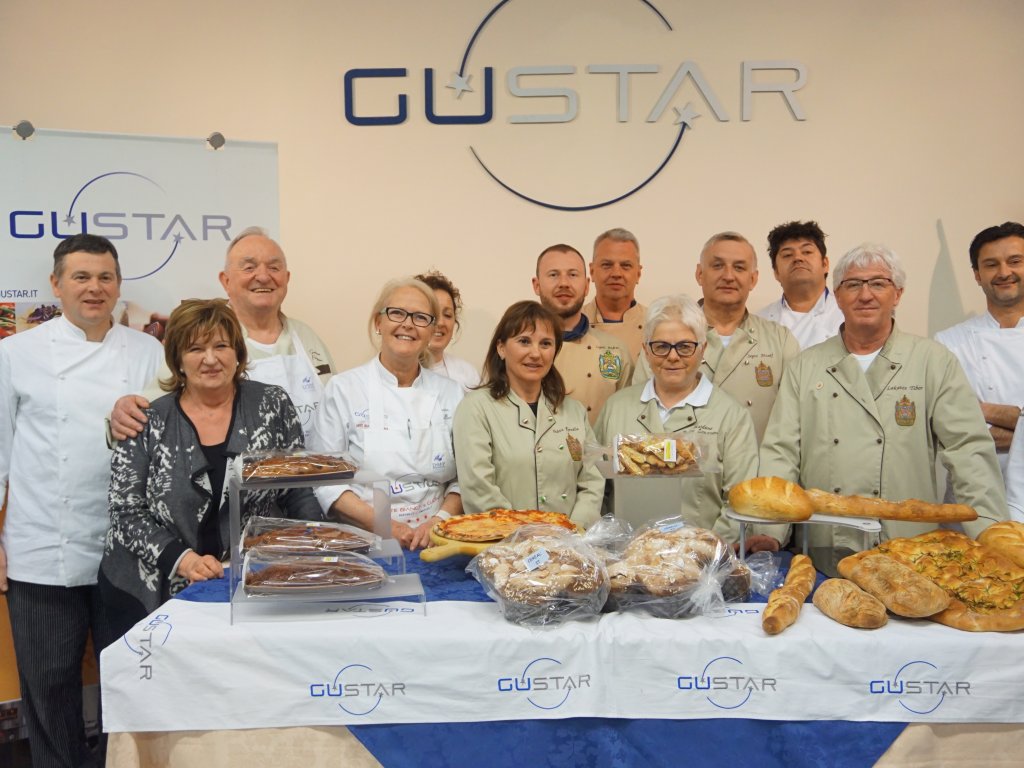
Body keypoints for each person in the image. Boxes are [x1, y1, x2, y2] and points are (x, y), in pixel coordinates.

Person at [0, 234, 163, 768]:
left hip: (130, 550)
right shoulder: (15, 353)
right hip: (44, 545)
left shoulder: (149, 352)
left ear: (118, 284)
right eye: (81, 277)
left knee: (133, 677)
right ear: (56, 284)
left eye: (105, 277)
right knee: (49, 687)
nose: (95, 288)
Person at [759, 243, 1009, 569]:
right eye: (853, 284)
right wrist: (770, 531)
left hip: (912, 549)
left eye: (878, 283)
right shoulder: (806, 366)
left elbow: (969, 450)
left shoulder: (932, 361)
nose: (865, 295)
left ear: (898, 294)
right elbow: (781, 452)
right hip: (827, 546)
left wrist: (992, 533)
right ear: (838, 296)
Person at [99, 299, 323, 641]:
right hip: (150, 588)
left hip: (243, 583)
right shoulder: (147, 420)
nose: (210, 358)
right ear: (177, 359)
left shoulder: (272, 405)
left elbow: (297, 489)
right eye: (195, 349)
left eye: (221, 346)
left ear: (238, 353)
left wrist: (315, 550)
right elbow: (125, 512)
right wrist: (183, 560)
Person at [109, 226, 335, 444]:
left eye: (274, 268)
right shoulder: (202, 338)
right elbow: (151, 407)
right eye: (249, 267)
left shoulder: (305, 336)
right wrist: (123, 415)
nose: (263, 276)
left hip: (316, 467)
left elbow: (336, 407)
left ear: (287, 278)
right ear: (225, 281)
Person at [595, 295, 770, 549]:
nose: (673, 356)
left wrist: (702, 552)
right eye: (661, 346)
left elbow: (738, 503)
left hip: (701, 561)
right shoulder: (616, 408)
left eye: (685, 346)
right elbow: (597, 490)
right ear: (646, 350)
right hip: (625, 558)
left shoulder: (731, 417)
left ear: (702, 349)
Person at [311, 278, 463, 549]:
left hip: (438, 541)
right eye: (397, 313)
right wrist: (387, 526)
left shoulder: (452, 393)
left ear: (431, 330)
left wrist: (439, 521)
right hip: (365, 544)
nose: (408, 324)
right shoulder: (343, 389)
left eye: (420, 317)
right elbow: (327, 482)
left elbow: (465, 479)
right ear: (378, 322)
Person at [633, 232, 799, 441]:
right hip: (673, 461)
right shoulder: (663, 337)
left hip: (756, 462)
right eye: (718, 266)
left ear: (753, 279)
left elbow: (792, 424)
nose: (728, 276)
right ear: (700, 274)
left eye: (739, 268)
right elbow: (638, 410)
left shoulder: (780, 341)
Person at [452, 301, 602, 527]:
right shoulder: (476, 408)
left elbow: (592, 481)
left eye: (545, 344)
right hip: (504, 542)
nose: (535, 353)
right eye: (524, 341)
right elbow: (478, 488)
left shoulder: (574, 411)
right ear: (501, 348)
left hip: (570, 541)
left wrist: (571, 531)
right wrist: (527, 536)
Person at [935, 222, 1024, 486]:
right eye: (991, 264)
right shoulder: (949, 343)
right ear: (977, 274)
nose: (1004, 272)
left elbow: (973, 427)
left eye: (1015, 261)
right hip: (975, 490)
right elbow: (955, 430)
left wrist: (982, 410)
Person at [533, 243, 632, 424]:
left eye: (573, 275)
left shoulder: (615, 349)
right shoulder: (520, 351)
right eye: (553, 275)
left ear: (586, 286)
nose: (564, 283)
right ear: (536, 285)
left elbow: (628, 417)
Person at [756, 220, 844, 349]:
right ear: (776, 272)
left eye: (807, 252)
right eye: (787, 255)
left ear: (825, 264)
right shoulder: (759, 323)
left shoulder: (847, 313)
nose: (798, 258)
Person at [582, 228, 647, 361]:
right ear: (592, 271)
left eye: (626, 265)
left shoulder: (656, 325)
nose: (616, 274)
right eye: (607, 265)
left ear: (638, 274)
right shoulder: (572, 323)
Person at [415, 269, 481, 391]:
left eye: (447, 315)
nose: (440, 323)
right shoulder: (395, 371)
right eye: (432, 313)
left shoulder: (468, 375)